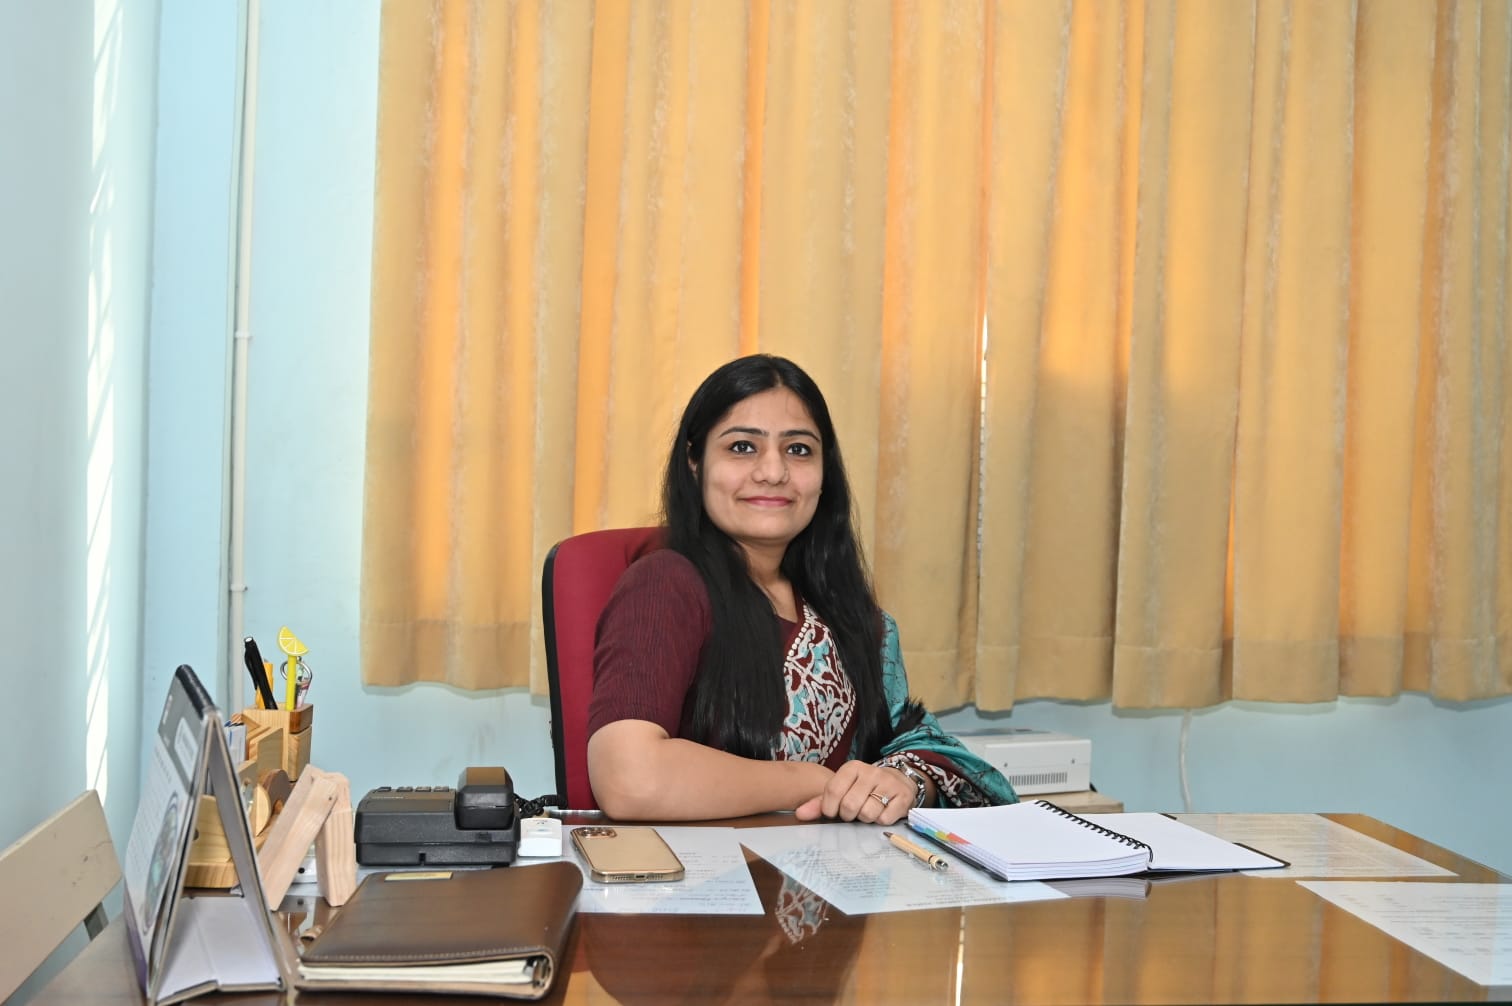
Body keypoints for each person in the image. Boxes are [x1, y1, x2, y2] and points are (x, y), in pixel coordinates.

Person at [586, 354, 1016, 824]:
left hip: (840, 884)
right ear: (695, 463)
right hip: (702, 885)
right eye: (743, 447)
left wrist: (905, 780)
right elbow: (630, 779)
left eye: (799, 450)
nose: (773, 471)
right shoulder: (666, 585)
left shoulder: (851, 618)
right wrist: (813, 780)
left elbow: (925, 749)